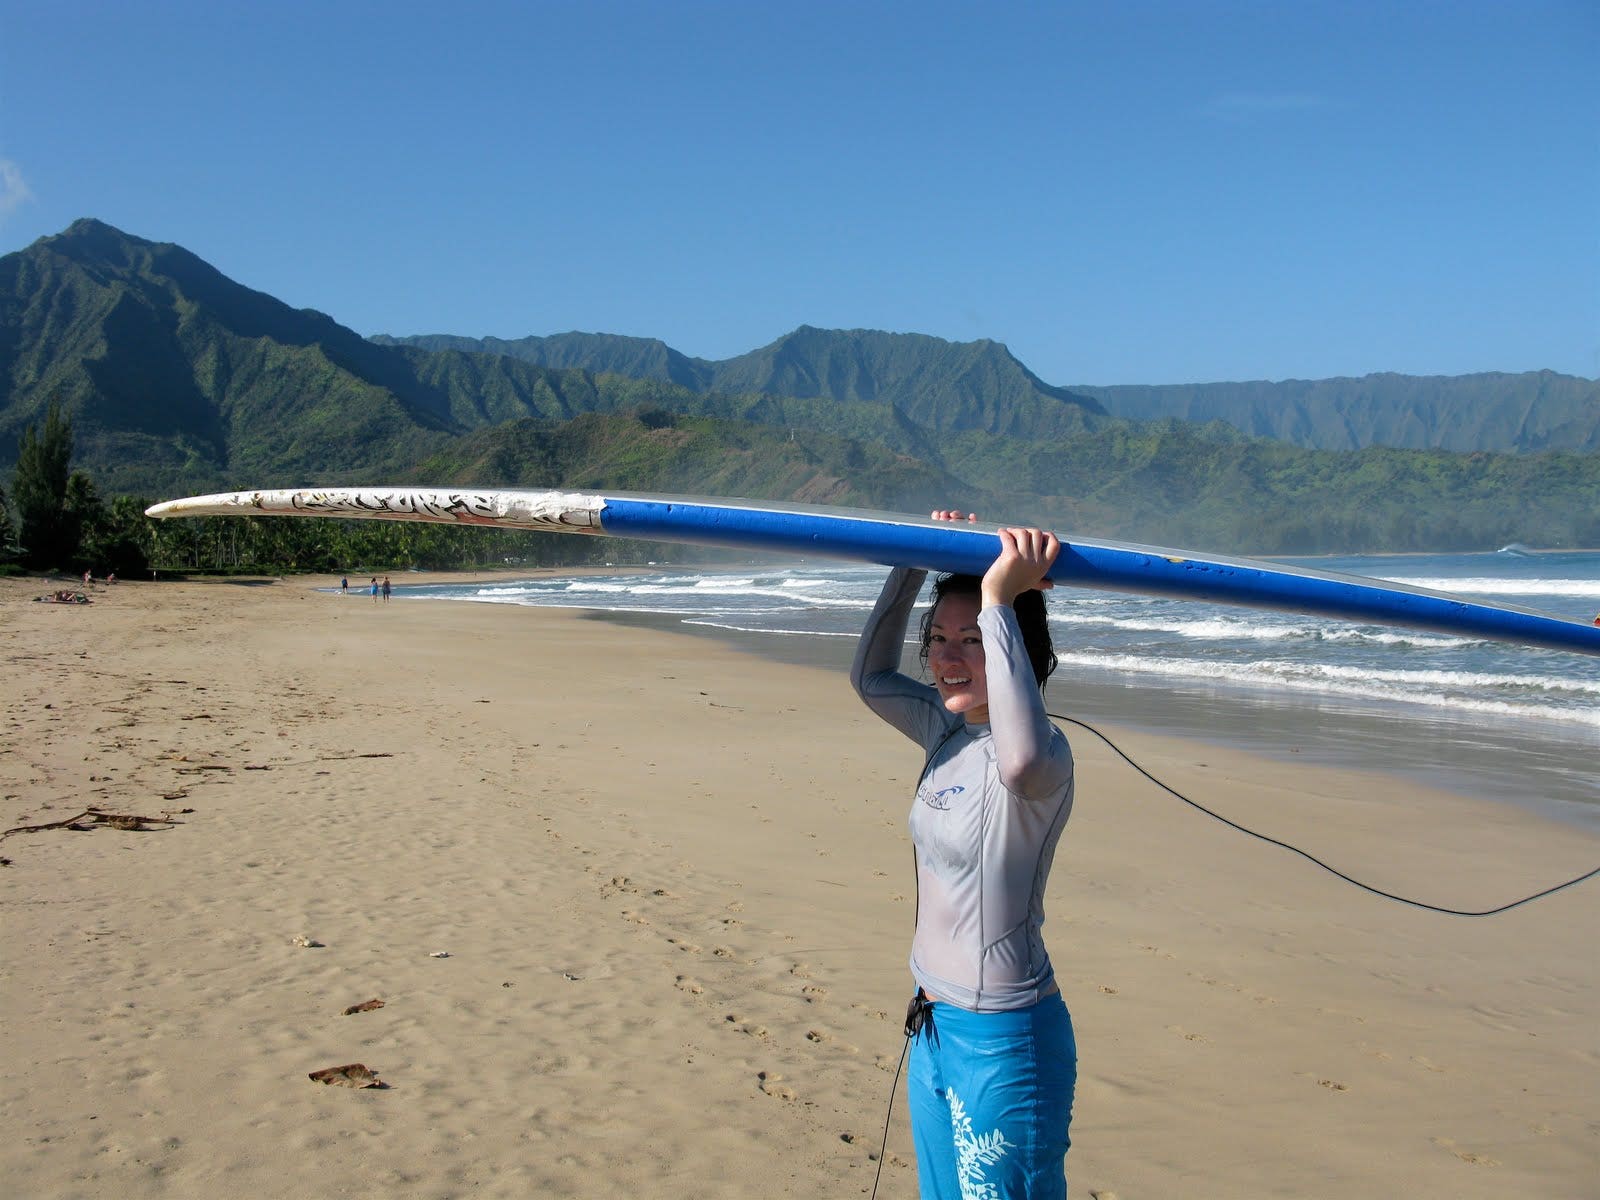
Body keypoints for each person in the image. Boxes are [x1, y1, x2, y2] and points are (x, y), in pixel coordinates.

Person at [851, 513, 1076, 1200]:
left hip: (1003, 1040)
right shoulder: (946, 728)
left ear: (1012, 648)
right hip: (933, 1024)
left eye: (972, 641)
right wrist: (912, 555)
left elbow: (1021, 756)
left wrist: (1002, 601)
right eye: (940, 639)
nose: (948, 658)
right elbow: (870, 676)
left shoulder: (1043, 759)